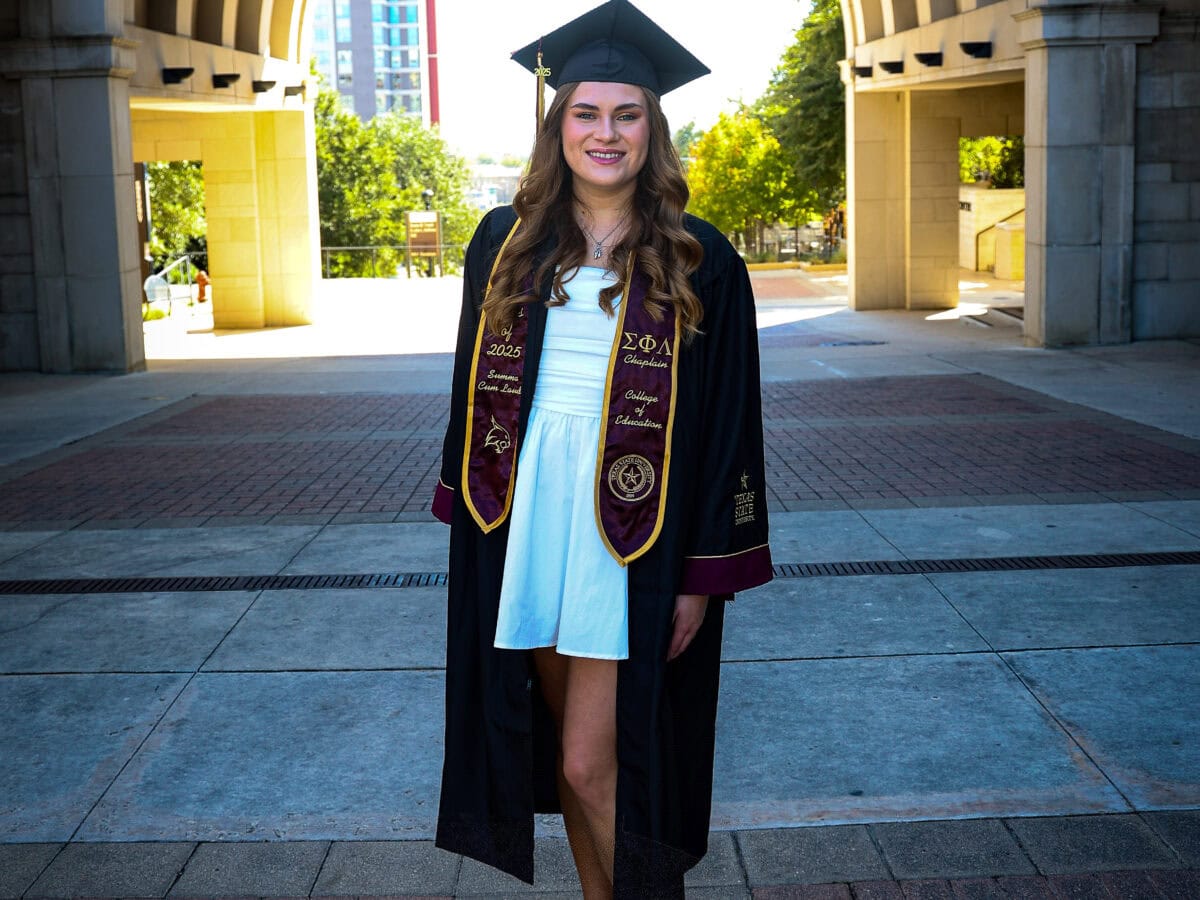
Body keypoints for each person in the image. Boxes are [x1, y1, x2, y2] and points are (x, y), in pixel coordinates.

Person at [431, 1, 773, 896]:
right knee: (566, 761)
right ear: (558, 125)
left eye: (628, 115)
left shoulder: (703, 260)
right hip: (521, 516)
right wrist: (465, 515)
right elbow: (471, 389)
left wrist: (704, 571)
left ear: (654, 130)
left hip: (636, 528)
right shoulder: (502, 243)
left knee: (591, 763)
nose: (606, 132)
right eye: (586, 112)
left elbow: (732, 423)